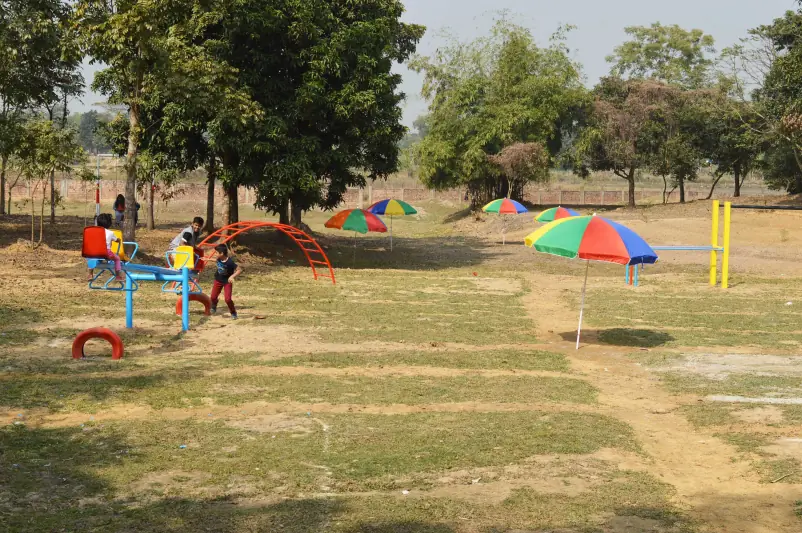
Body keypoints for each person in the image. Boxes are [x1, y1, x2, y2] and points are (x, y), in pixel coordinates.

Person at [210, 243, 241, 319]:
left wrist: (232, 276)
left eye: (217, 253)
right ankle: (214, 306)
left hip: (227, 282)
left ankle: (233, 313)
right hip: (218, 280)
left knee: (228, 299)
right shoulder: (219, 258)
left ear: (222, 253)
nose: (215, 254)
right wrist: (208, 259)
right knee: (213, 297)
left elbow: (239, 269)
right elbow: (216, 261)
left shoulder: (230, 262)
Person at [96, 213, 124, 281]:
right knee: (117, 259)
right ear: (109, 223)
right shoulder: (110, 233)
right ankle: (117, 276)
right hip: (107, 253)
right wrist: (119, 240)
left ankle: (90, 274)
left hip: (95, 253)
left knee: (90, 258)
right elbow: (117, 240)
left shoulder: (95, 231)